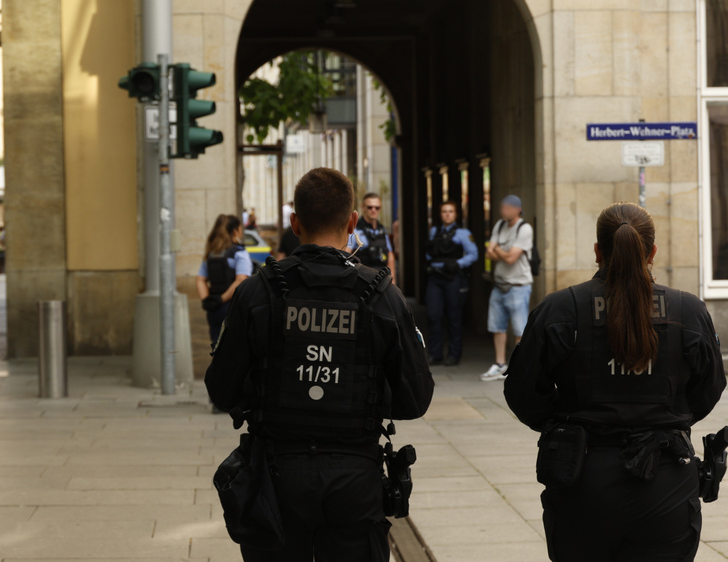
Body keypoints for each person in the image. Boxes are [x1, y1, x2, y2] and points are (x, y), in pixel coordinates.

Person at [206, 168, 433, 562]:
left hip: (275, 478)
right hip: (355, 478)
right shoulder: (383, 295)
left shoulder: (259, 291)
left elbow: (221, 389)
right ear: (352, 222)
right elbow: (415, 400)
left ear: (295, 223)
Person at [504, 202, 726, 562]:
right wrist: (665, 417)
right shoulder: (688, 311)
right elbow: (709, 389)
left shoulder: (561, 309)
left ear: (597, 252)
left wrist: (563, 422)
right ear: (652, 252)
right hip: (666, 483)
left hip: (582, 478)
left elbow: (523, 391)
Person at [482, 194, 534, 381]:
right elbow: (489, 253)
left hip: (518, 285)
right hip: (500, 284)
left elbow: (512, 259)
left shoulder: (524, 228)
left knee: (519, 329)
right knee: (497, 326)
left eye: (508, 208)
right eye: (502, 208)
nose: (504, 211)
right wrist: (501, 252)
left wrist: (497, 251)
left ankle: (518, 367)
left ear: (517, 209)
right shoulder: (499, 225)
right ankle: (500, 364)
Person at [425, 201, 478, 366]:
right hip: (435, 277)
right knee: (433, 315)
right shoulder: (434, 231)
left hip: (453, 278)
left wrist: (457, 264)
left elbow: (473, 254)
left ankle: (454, 354)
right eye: (444, 211)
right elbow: (428, 252)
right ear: (440, 214)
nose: (447, 214)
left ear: (456, 215)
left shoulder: (463, 233)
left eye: (450, 211)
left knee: (454, 317)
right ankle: (435, 354)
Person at [195, 215, 253, 345]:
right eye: (240, 229)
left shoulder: (212, 253)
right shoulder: (239, 253)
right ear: (235, 231)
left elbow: (200, 279)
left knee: (216, 347)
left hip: (214, 309)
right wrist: (222, 299)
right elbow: (241, 280)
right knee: (235, 348)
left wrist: (207, 301)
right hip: (232, 307)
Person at [349, 192, 396, 274]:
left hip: (381, 278)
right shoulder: (356, 231)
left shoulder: (382, 230)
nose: (373, 210)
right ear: (363, 207)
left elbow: (390, 256)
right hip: (363, 279)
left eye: (377, 208)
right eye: (370, 207)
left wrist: (392, 280)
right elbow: (346, 254)